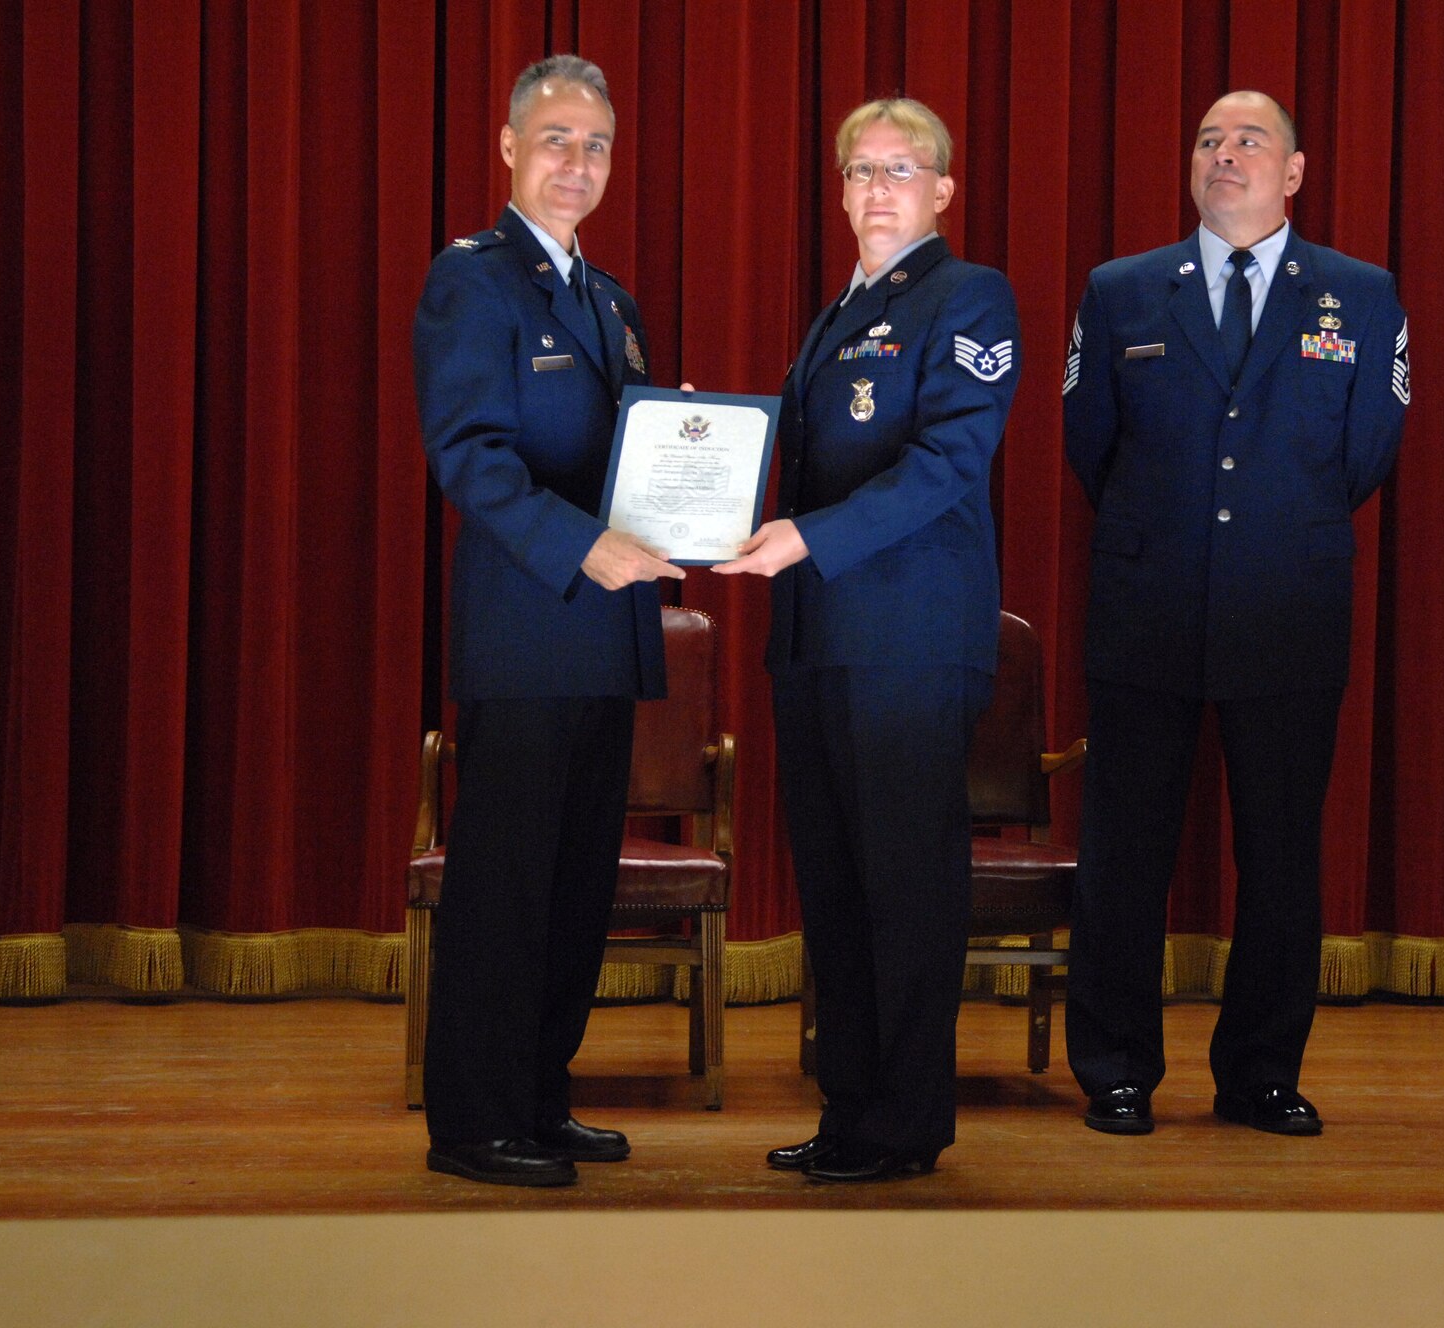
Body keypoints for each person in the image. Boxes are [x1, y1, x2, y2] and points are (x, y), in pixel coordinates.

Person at [1061, 90, 1409, 1137]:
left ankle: (1259, 1072)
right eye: (1208, 138)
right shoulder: (1120, 292)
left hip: (1285, 607)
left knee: (1280, 854)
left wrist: (1259, 527)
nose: (1225, 153)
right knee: (1124, 852)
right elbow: (1090, 444)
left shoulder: (1361, 293)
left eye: (1249, 138)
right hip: (1145, 602)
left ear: (1293, 171)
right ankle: (1115, 1068)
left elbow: (1364, 451)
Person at [714, 97, 1021, 1182]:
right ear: (840, 191)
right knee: (836, 892)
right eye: (860, 168)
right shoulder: (841, 309)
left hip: (906, 643)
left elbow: (945, 465)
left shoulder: (968, 297)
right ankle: (848, 1110)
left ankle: (902, 1123)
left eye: (902, 167)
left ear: (942, 189)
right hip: (816, 640)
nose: (878, 185)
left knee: (904, 889)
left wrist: (804, 537)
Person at [411, 55, 684, 1187]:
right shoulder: (472, 281)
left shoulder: (607, 299)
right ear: (511, 149)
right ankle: (474, 1117)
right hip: (527, 629)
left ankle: (540, 1091)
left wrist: (686, 517)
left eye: (598, 146)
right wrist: (585, 544)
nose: (578, 163)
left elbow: (640, 460)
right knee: (506, 880)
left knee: (577, 883)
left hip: (605, 636)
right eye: (558, 140)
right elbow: (469, 458)